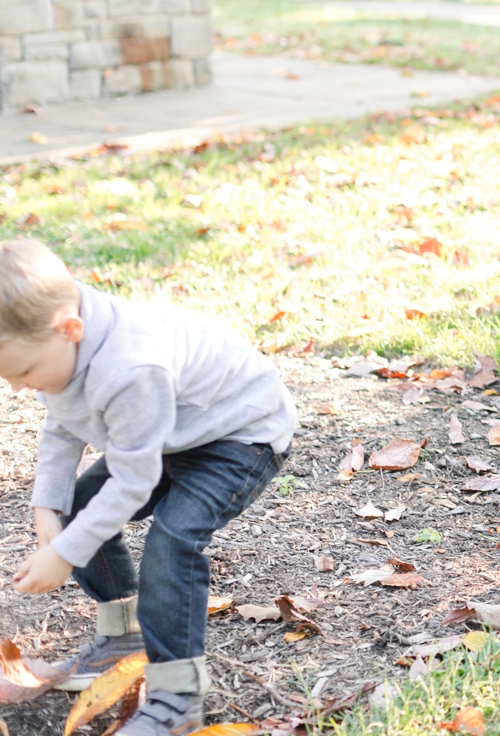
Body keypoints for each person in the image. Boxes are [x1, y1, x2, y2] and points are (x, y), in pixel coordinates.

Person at [0, 239, 298, 734]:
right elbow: (63, 420)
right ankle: (125, 636)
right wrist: (48, 506)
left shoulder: (130, 366)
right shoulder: (63, 337)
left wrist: (66, 552)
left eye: (23, 373)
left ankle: (176, 697)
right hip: (174, 431)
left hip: (238, 436)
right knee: (77, 508)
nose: (17, 387)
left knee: (173, 540)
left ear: (69, 329)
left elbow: (132, 479)